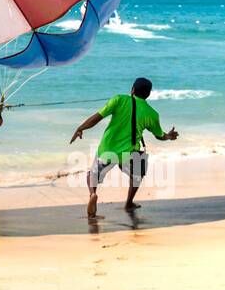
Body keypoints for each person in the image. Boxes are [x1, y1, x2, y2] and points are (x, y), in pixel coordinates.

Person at [69, 77, 178, 218]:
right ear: (148, 94)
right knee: (137, 175)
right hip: (130, 152)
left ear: (132, 89)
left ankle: (93, 194)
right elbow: (159, 135)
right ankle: (129, 203)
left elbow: (97, 117)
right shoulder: (152, 114)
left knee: (93, 174)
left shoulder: (119, 100)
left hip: (107, 149)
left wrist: (80, 128)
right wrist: (169, 136)